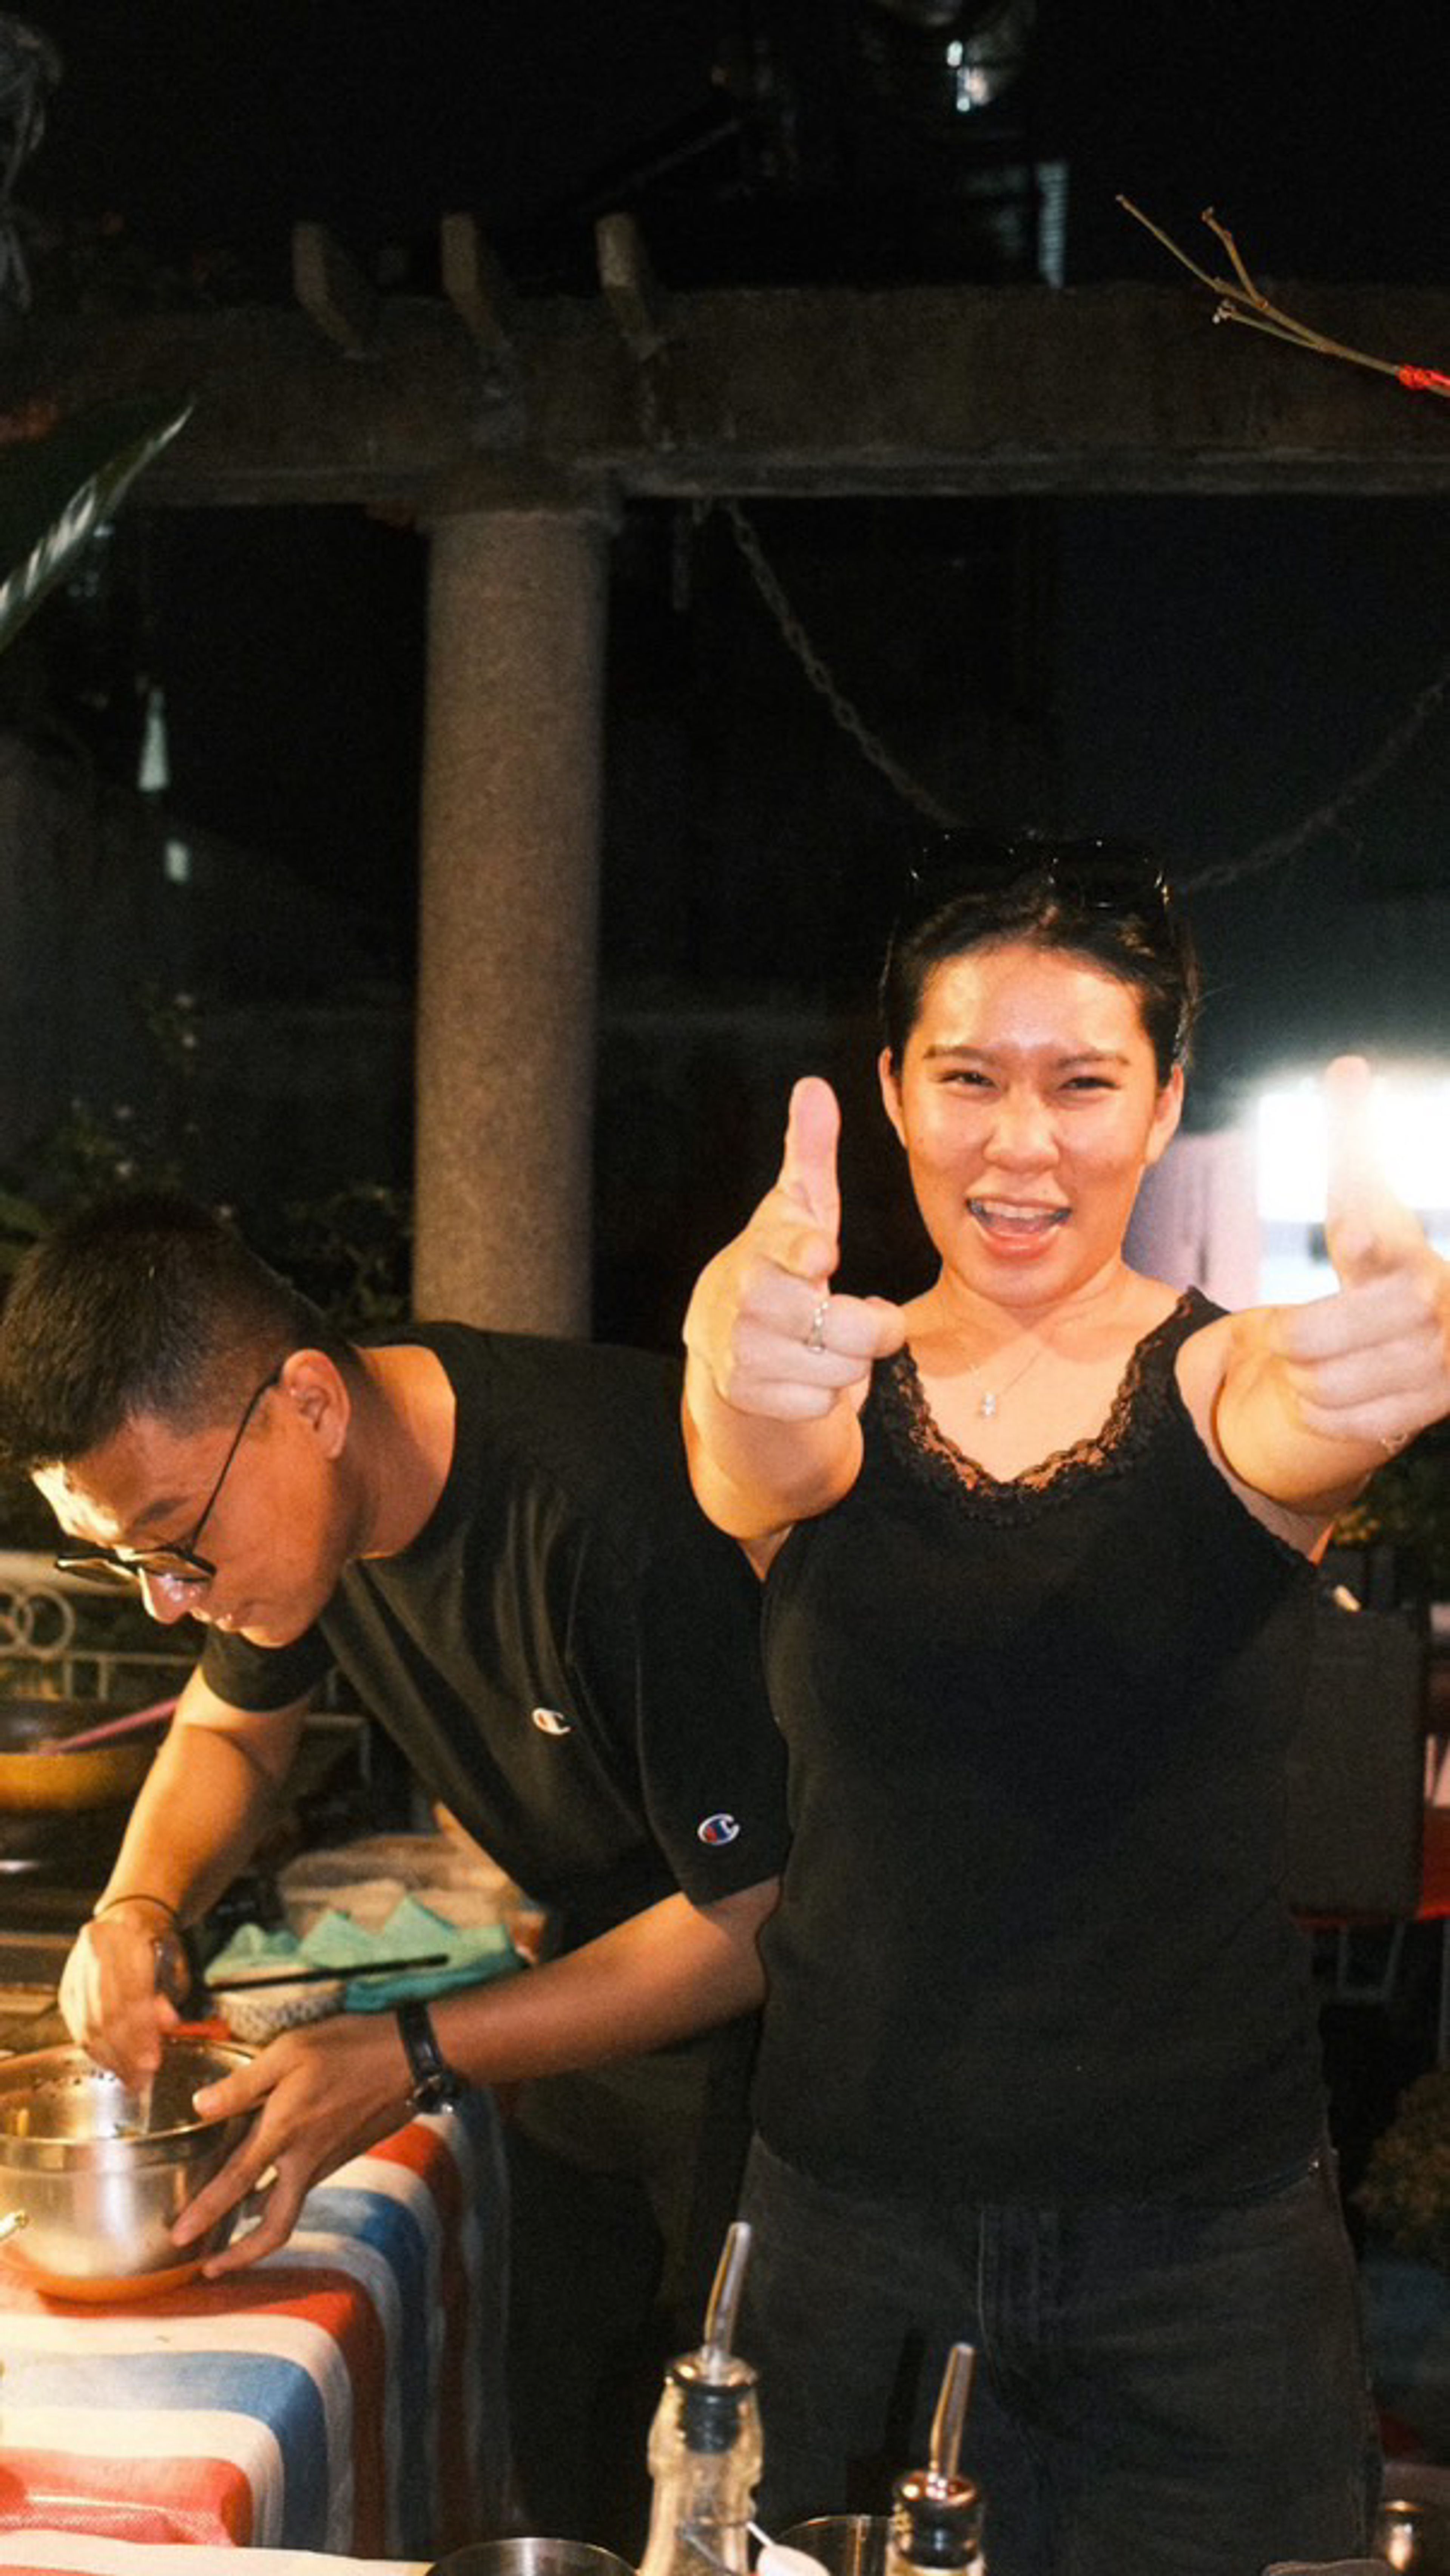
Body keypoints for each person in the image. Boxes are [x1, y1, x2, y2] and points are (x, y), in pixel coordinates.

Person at [681, 834, 1450, 2576]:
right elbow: (755, 1442)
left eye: (1084, 1082)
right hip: (843, 2237)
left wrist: (1398, 1348)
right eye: (969, 1077)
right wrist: (737, 1335)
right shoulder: (809, 1364)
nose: (1022, 1144)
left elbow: (1297, 1416)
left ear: (1167, 1101)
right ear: (889, 1090)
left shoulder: (1235, 1379)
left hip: (1205, 2264)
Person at [0, 1193, 788, 2550]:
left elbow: (764, 1915)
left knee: (722, 2491)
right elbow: (230, 1728)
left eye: (178, 1540)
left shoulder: (606, 1508)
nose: (166, 1599)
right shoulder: (314, 1495)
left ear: (306, 1399)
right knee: (574, 2464)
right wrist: (135, 1908)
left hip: (791, 2053)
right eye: (128, 1559)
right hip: (580, 2004)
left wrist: (414, 2046)